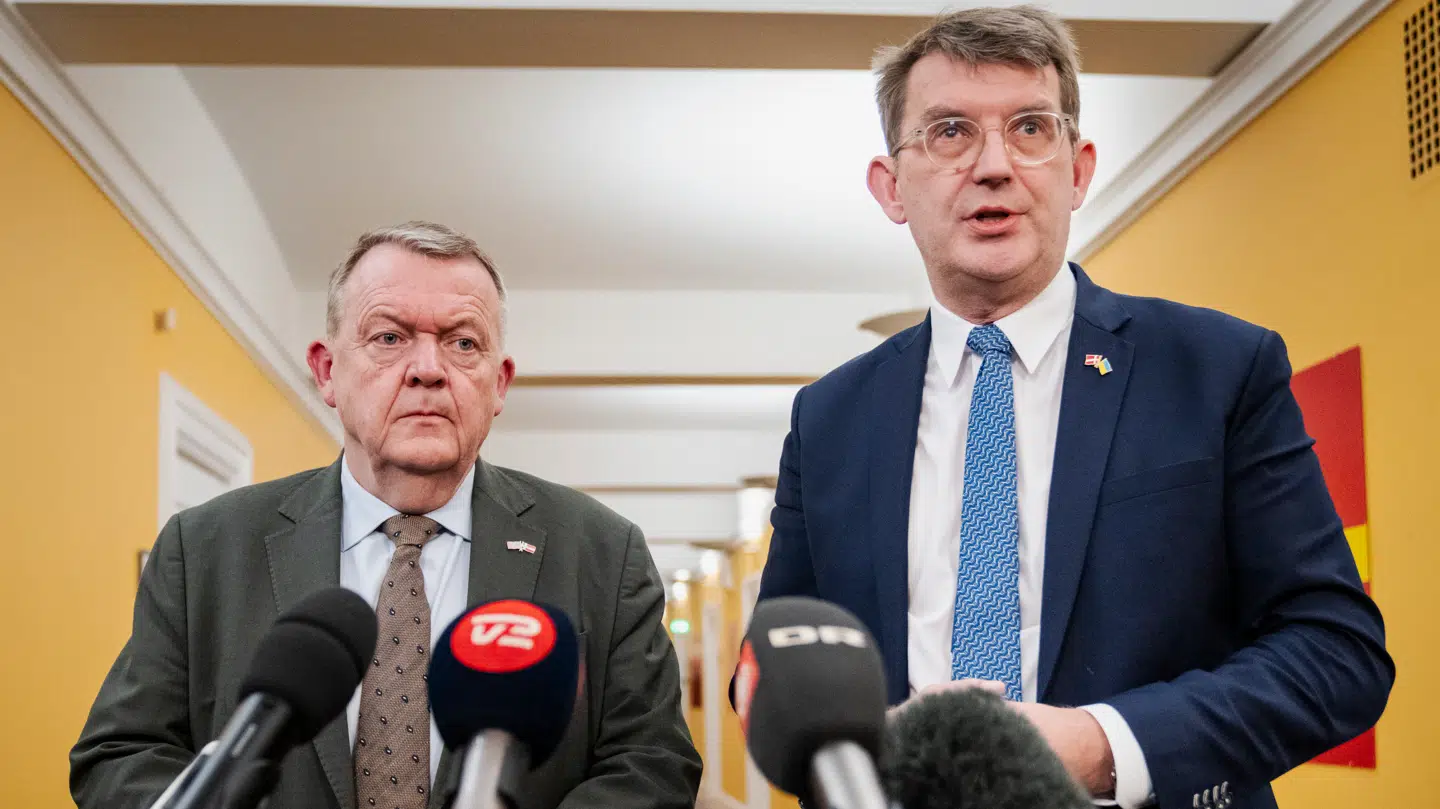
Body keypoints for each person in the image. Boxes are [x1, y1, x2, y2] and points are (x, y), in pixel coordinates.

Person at [751, 7, 1393, 809]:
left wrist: (1101, 745)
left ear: (1079, 170)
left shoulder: (1219, 369)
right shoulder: (829, 419)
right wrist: (865, 747)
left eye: (1030, 128)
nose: (994, 166)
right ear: (892, 186)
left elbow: (1337, 654)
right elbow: (775, 669)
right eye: (950, 132)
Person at [71, 221, 702, 809]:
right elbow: (121, 753)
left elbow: (653, 762)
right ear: (327, 371)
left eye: (463, 343)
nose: (427, 370)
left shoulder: (603, 551)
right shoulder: (204, 547)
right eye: (389, 338)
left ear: (499, 384)